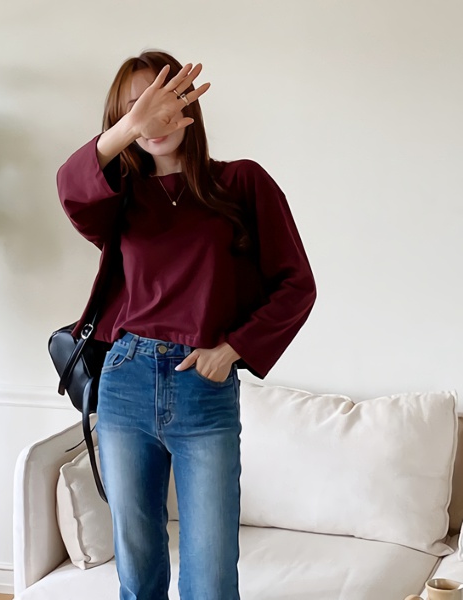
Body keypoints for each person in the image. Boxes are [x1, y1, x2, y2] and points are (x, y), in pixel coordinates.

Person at [56, 49, 317, 600]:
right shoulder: (119, 198)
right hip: (125, 383)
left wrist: (233, 349)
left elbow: (297, 284)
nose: (154, 115)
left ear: (189, 104)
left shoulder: (241, 183)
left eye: (164, 98)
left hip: (204, 388)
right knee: (137, 574)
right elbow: (70, 186)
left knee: (211, 579)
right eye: (136, 107)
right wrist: (133, 125)